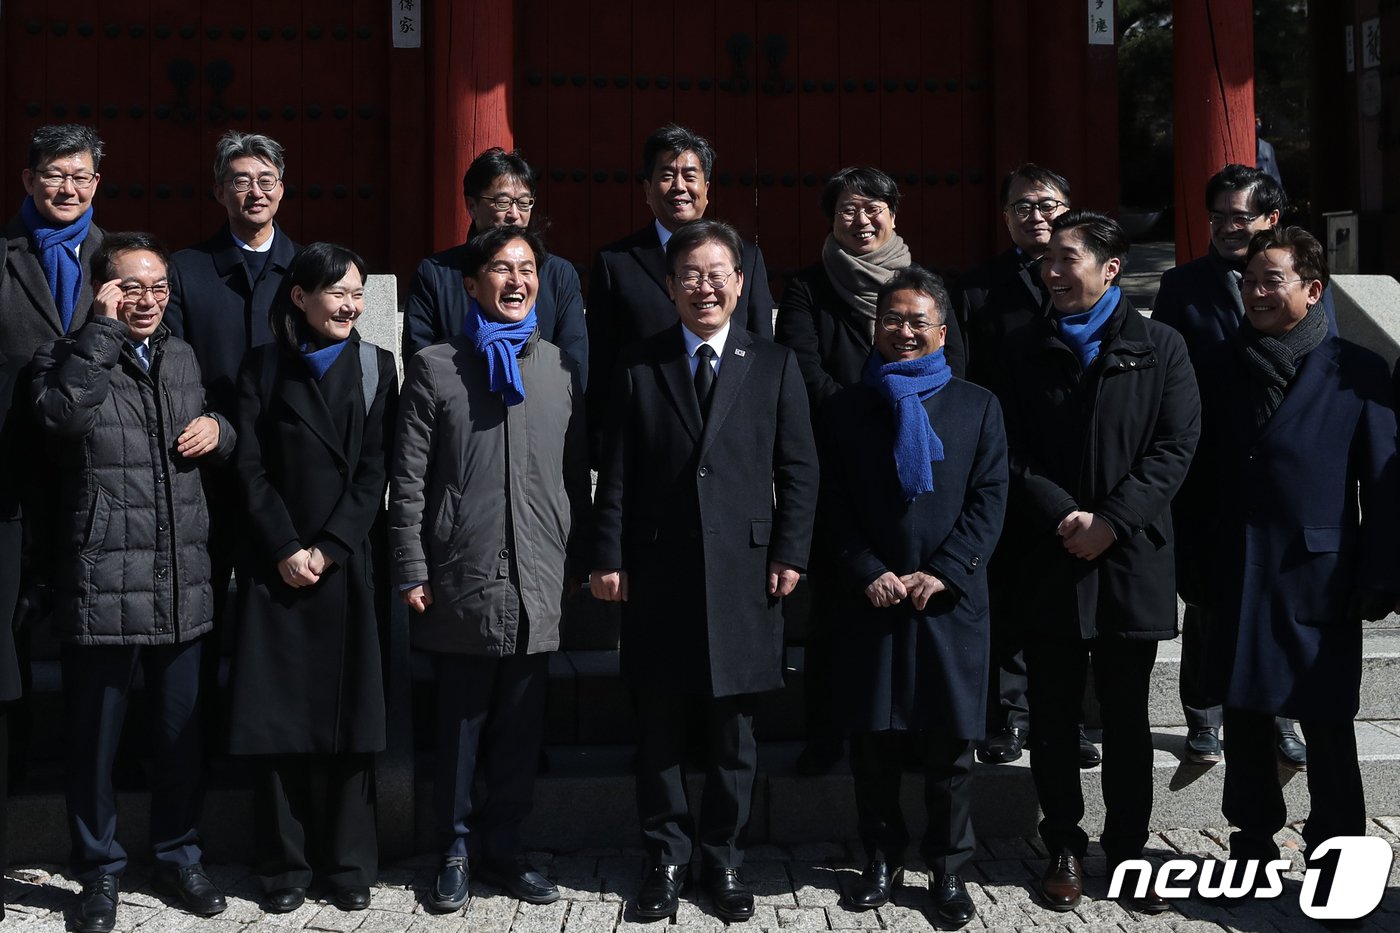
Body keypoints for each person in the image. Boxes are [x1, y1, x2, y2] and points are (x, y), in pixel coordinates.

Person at [590, 219, 818, 923]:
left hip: (747, 573)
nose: (705, 286)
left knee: (733, 733)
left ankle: (721, 855)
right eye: (690, 274)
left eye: (719, 273)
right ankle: (663, 856)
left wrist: (790, 552)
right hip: (658, 571)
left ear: (742, 283)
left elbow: (800, 469)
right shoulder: (639, 364)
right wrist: (608, 556)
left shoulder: (774, 362)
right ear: (669, 286)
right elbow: (618, 474)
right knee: (658, 726)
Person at [31, 232, 234, 933]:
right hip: (104, 574)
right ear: (101, 290)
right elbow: (61, 419)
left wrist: (219, 427)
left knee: (181, 729)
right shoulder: (64, 356)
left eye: (156, 287)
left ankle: (179, 852)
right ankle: (97, 869)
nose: (146, 300)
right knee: (96, 739)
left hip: (181, 574)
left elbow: (215, 422)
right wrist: (102, 332)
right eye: (129, 288)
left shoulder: (180, 355)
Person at [1180, 226, 1399, 873]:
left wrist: (1381, 573)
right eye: (1248, 281)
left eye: (1271, 279)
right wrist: (1194, 567)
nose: (1256, 292)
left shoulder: (1357, 371)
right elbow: (1193, 478)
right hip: (1238, 570)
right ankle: (1250, 842)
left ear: (1313, 287)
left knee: (1327, 721)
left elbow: (1384, 482)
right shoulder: (1218, 365)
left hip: (1321, 574)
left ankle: (1336, 851)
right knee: (1245, 714)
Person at [1000, 211, 1199, 914]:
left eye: (1068, 259)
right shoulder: (1024, 347)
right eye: (1047, 260)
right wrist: (1064, 515)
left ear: (1111, 268)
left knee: (1125, 718)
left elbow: (1175, 447)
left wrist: (1112, 521)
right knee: (1053, 716)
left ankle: (1128, 848)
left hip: (1130, 559)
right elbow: (1011, 449)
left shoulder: (1160, 346)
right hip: (1051, 555)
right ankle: (1061, 843)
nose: (1052, 271)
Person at [391, 225, 589, 913]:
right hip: (462, 568)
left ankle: (506, 846)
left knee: (519, 725)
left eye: (527, 268)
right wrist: (412, 562)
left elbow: (573, 474)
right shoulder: (436, 366)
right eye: (500, 269)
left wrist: (574, 551)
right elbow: (409, 478)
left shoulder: (559, 368)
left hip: (538, 569)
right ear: (471, 284)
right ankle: (452, 848)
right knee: (461, 726)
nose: (516, 280)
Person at [818, 266, 1006, 927]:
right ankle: (880, 855)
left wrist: (948, 569)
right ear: (876, 328)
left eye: (916, 321)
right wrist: (865, 567)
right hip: (872, 598)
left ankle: (949, 866)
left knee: (949, 747)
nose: (904, 331)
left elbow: (989, 500)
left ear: (941, 331)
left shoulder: (977, 404)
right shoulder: (846, 408)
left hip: (948, 601)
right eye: (892, 319)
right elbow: (831, 503)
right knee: (874, 741)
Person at [776, 166, 966, 775]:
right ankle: (830, 733)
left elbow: (954, 363)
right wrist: (866, 417)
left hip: (923, 460)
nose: (861, 220)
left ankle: (916, 730)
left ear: (894, 215)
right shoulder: (808, 286)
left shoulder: (929, 286)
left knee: (917, 602)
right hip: (841, 453)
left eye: (873, 208)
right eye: (847, 211)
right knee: (840, 609)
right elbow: (805, 369)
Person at [228, 243, 398, 914]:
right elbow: (249, 467)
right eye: (336, 291)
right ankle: (283, 864)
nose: (350, 303)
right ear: (300, 297)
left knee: (350, 720)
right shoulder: (262, 368)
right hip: (277, 566)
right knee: (277, 723)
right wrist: (285, 545)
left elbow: (375, 470)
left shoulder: (377, 367)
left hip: (346, 564)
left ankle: (350, 863)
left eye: (357, 292)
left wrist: (328, 548)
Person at [1153, 163, 1316, 770]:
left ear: (1272, 219)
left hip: (1275, 469)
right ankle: (1202, 712)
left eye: (1239, 217)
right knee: (1208, 601)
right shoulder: (1182, 287)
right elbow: (1163, 374)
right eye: (1217, 216)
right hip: (1206, 467)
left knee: (1275, 601)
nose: (1225, 227)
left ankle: (1281, 715)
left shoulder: (1294, 285)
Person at [954, 164, 1098, 769]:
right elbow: (962, 376)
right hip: (1005, 459)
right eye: (1022, 207)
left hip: (1080, 465)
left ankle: (1072, 719)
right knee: (1008, 593)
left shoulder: (1094, 283)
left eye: (1047, 204)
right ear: (1004, 215)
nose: (1035, 216)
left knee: (1078, 602)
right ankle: (1009, 714)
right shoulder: (975, 288)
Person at [0, 124, 107, 915]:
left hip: (98, 486)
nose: (64, 188)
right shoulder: (1, 256)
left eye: (77, 175)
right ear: (29, 178)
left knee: (91, 657)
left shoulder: (122, 261)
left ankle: (98, 846)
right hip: (8, 482)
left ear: (97, 182)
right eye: (51, 175)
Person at [585, 124, 775, 457]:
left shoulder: (748, 258)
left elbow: (762, 348)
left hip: (732, 435)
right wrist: (601, 442)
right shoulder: (615, 263)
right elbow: (603, 362)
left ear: (707, 188)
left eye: (690, 175)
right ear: (646, 189)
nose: (679, 187)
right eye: (667, 175)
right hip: (647, 438)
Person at [402, 147, 587, 380]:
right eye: (502, 202)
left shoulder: (559, 274)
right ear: (471, 206)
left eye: (523, 202)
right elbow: (420, 363)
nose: (514, 214)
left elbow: (573, 365)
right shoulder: (436, 274)